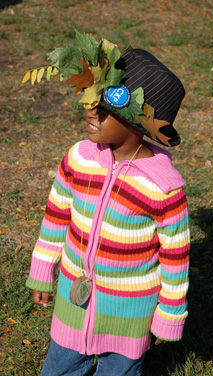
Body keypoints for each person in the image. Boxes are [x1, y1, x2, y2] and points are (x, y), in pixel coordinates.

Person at [24, 31, 190, 376]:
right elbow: (55, 218)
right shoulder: (79, 158)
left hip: (130, 311)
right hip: (73, 298)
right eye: (90, 100)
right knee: (59, 368)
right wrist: (43, 271)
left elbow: (176, 257)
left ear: (137, 123)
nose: (90, 110)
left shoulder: (162, 186)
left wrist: (170, 314)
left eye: (104, 107)